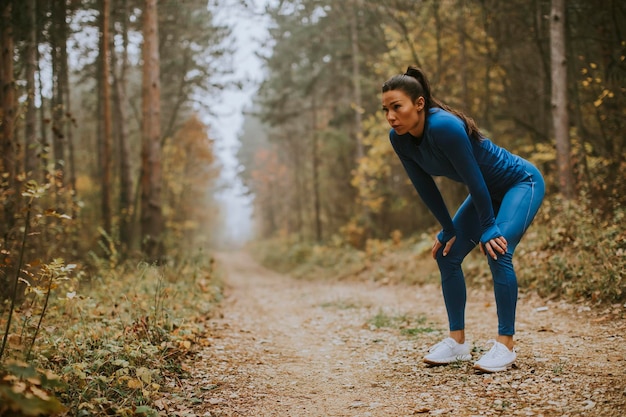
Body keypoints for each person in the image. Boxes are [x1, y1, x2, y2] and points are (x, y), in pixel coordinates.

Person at [381, 66, 545, 373]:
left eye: (396, 107)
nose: (391, 116)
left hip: (520, 183)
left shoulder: (444, 126)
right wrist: (447, 229)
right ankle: (457, 343)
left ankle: (505, 346)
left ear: (419, 104)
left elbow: (474, 179)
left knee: (498, 249)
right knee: (447, 254)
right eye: (386, 110)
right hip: (487, 191)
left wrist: (488, 227)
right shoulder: (399, 139)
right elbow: (424, 186)